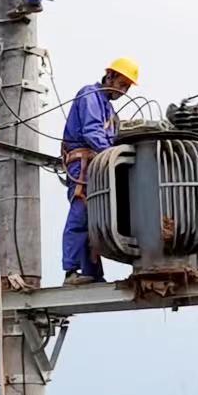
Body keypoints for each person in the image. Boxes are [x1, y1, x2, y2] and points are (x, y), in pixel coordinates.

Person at [60, 57, 140, 285]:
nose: (123, 91)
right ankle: (72, 271)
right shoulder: (90, 95)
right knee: (80, 212)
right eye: (121, 84)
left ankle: (92, 273)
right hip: (83, 164)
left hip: (98, 163)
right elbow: (92, 132)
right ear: (110, 76)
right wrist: (116, 157)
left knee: (96, 215)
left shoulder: (109, 109)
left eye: (126, 87)